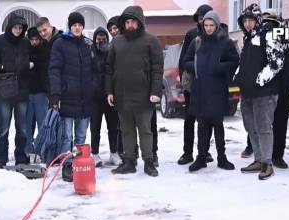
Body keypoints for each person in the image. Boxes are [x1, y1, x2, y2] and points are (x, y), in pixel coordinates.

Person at [106, 6, 164, 177]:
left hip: (144, 96)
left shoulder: (150, 41)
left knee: (145, 130)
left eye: (133, 22)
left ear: (140, 23)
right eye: (127, 22)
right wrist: (109, 91)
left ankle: (149, 162)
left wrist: (155, 91)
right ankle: (129, 161)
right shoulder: (116, 42)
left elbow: (157, 69)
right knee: (126, 130)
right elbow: (109, 68)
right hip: (122, 96)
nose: (130, 25)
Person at [182, 10, 239, 172]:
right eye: (205, 25)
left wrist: (220, 67)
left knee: (218, 124)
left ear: (217, 25)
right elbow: (185, 61)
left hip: (217, 88)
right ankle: (201, 158)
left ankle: (222, 158)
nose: (208, 28)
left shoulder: (225, 42)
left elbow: (235, 60)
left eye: (211, 25)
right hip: (200, 89)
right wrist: (197, 67)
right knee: (201, 125)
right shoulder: (197, 42)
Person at [235, 4, 284, 180]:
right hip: (248, 92)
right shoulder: (247, 39)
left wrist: (259, 80)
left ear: (257, 21)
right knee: (250, 126)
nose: (248, 24)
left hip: (265, 92)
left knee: (263, 127)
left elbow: (277, 62)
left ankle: (267, 163)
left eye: (251, 20)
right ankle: (258, 159)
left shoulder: (268, 36)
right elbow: (243, 64)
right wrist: (238, 77)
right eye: (245, 20)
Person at [49, 12, 95, 182]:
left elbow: (93, 70)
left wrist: (93, 89)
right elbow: (54, 70)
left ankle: (79, 163)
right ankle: (67, 165)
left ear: (83, 27)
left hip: (85, 98)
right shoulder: (60, 44)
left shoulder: (87, 45)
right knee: (67, 136)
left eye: (80, 25)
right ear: (70, 26)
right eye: (74, 25)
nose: (77, 27)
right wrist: (55, 94)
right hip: (67, 97)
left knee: (81, 136)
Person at [0, 15, 32, 168]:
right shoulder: (0, 41)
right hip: (4, 91)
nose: (18, 30)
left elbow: (33, 56)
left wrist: (29, 64)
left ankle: (20, 157)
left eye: (20, 28)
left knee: (22, 128)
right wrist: (0, 67)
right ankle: (1, 159)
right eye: (15, 27)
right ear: (10, 27)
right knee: (3, 128)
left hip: (22, 91)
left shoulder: (25, 42)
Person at [261, 9, 289, 169]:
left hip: (282, 88)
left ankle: (277, 155)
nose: (268, 24)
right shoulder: (258, 36)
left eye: (271, 20)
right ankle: (260, 153)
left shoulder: (287, 35)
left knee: (279, 122)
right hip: (264, 87)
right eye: (265, 20)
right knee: (262, 121)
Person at [177, 4, 215, 166]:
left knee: (207, 119)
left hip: (209, 85)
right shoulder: (191, 34)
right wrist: (183, 79)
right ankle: (187, 153)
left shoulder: (218, 35)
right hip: (192, 84)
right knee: (190, 119)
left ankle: (204, 151)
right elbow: (183, 59)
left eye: (204, 18)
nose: (202, 22)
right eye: (199, 19)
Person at [91, 27, 121, 167]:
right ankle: (95, 153)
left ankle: (114, 153)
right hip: (95, 97)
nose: (101, 41)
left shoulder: (111, 52)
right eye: (98, 38)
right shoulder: (90, 53)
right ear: (94, 39)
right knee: (95, 127)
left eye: (103, 38)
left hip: (110, 96)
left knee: (113, 127)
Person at [25, 27, 50, 161]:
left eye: (36, 39)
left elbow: (45, 67)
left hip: (41, 92)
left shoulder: (45, 49)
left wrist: (34, 64)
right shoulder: (25, 49)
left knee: (42, 123)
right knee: (27, 124)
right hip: (28, 92)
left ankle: (42, 150)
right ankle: (28, 150)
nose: (34, 42)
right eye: (32, 40)